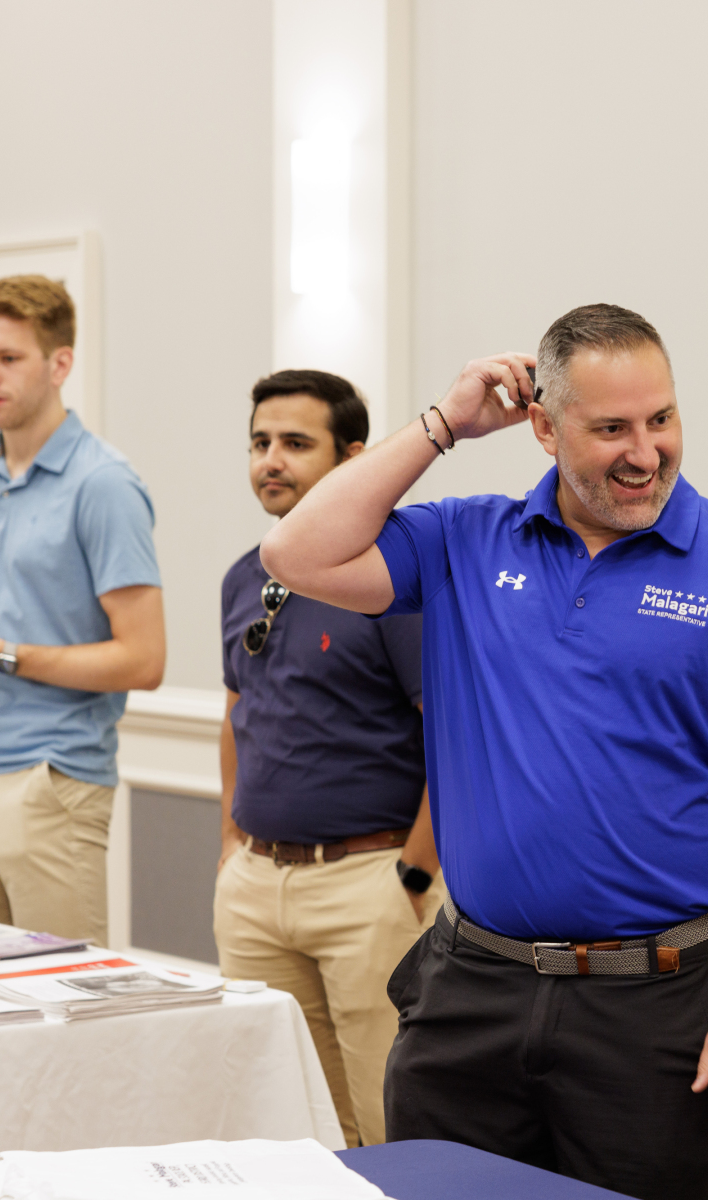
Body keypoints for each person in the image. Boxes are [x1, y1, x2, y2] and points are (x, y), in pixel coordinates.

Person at [259, 304, 708, 1200]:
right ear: (543, 427)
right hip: (472, 989)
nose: (646, 452)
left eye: (662, 419)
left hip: (662, 1004)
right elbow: (294, 552)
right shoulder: (466, 541)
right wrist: (445, 423)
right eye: (611, 428)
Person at [0, 275, 165, 947]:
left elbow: (144, 660)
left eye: (9, 358)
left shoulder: (105, 485)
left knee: (61, 995)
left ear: (59, 364)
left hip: (49, 779)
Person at [214, 368, 444, 1149]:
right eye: (259, 443)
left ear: (352, 457)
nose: (271, 460)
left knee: (386, 1121)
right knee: (289, 1123)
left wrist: (414, 877)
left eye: (295, 443)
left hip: (368, 886)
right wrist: (229, 846)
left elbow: (452, 735)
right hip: (254, 888)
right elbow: (236, 713)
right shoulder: (244, 577)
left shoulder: (387, 579)